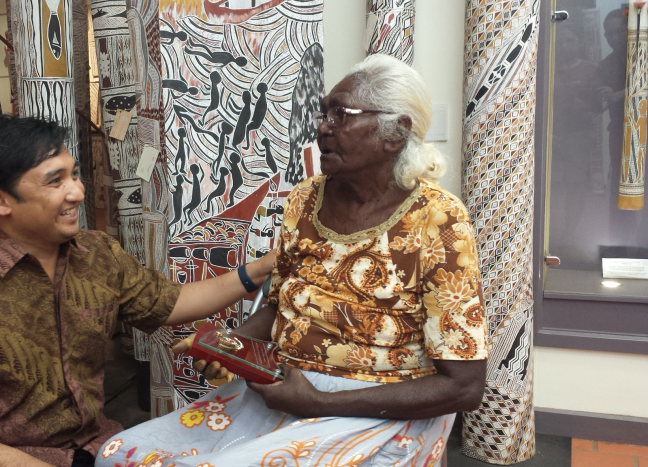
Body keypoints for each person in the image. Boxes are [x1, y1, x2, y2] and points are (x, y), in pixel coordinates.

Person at [95, 55, 489, 467]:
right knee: (120, 456)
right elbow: (280, 305)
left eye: (341, 114)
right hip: (284, 387)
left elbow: (463, 387)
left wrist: (317, 401)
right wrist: (232, 347)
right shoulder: (305, 198)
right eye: (323, 114)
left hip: (379, 407)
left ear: (395, 133)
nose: (323, 127)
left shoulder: (438, 219)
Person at [0, 116, 276, 467]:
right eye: (55, 181)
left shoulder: (96, 254)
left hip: (92, 447)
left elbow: (169, 303)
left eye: (74, 175)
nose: (77, 192)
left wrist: (260, 270)